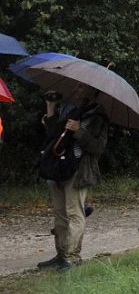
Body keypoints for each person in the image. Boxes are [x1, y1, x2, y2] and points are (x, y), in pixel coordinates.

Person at [37, 93, 107, 270]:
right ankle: (61, 255)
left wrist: (79, 131)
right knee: (59, 214)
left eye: (83, 88)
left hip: (78, 170)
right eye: (77, 86)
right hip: (57, 167)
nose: (78, 89)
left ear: (92, 92)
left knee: (74, 213)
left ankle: (72, 257)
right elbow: (54, 135)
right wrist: (51, 108)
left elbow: (98, 147)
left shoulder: (98, 116)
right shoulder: (68, 109)